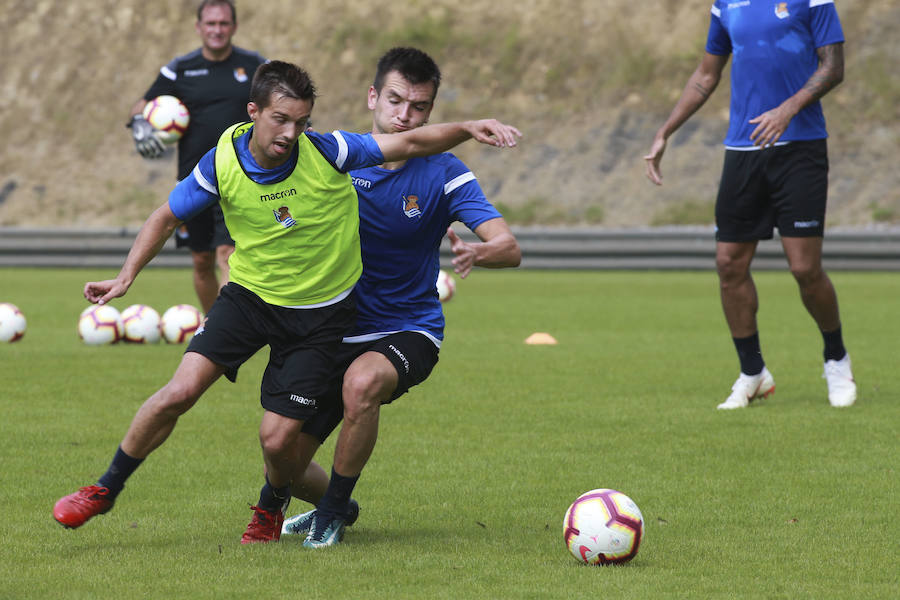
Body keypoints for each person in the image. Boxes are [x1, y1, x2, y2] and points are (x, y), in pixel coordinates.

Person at [52, 60, 522, 545]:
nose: (290, 133)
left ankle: (307, 508)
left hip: (349, 321)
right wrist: (127, 276)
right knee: (194, 401)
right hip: (262, 302)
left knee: (305, 424)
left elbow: (419, 149)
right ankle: (105, 489)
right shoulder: (233, 159)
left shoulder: (340, 153)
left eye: (301, 123)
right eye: (281, 120)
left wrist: (468, 133)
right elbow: (166, 215)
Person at [271, 47, 522, 548]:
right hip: (332, 327)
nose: (404, 116)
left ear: (430, 113)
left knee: (363, 384)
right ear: (372, 98)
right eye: (395, 101)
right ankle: (338, 504)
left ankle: (331, 516)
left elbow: (509, 247)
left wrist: (479, 251)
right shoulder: (334, 159)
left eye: (419, 107)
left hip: (407, 329)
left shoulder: (446, 173)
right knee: (283, 461)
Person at [643, 0, 857, 409]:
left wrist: (787, 110)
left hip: (800, 148)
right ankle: (753, 373)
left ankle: (836, 358)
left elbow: (833, 67)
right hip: (743, 151)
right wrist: (665, 131)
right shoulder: (726, 4)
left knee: (804, 268)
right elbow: (707, 74)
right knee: (729, 264)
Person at [128, 0, 266, 314]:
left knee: (226, 254)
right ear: (198, 27)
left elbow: (280, 99)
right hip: (194, 180)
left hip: (238, 177)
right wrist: (139, 123)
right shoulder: (180, 69)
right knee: (201, 260)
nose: (217, 30)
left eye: (223, 24)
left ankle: (224, 334)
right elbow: (141, 105)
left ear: (234, 26)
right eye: (211, 24)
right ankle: (210, 326)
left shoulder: (255, 65)